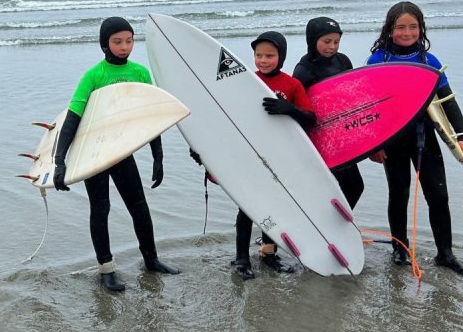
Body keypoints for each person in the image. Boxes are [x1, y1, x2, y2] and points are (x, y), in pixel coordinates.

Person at [52, 16, 179, 292]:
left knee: (139, 207)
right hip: (94, 154)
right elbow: (73, 118)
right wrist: (59, 160)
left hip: (121, 152)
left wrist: (158, 156)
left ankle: (151, 260)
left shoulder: (140, 73)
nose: (124, 47)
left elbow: (151, 118)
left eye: (129, 41)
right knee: (100, 209)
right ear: (104, 44)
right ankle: (106, 270)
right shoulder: (94, 76)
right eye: (117, 41)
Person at [193, 31, 315, 280]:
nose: (263, 60)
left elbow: (311, 120)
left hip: (280, 155)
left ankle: (268, 253)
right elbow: (221, 118)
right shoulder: (244, 81)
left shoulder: (292, 85)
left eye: (270, 55)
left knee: (275, 205)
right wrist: (202, 146)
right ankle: (241, 258)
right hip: (248, 155)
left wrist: (289, 109)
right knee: (247, 206)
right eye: (259, 55)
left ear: (281, 57)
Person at [366, 1, 463, 274]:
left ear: (421, 29)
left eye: (413, 27)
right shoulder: (378, 61)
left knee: (439, 195)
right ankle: (400, 249)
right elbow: (368, 106)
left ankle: (444, 253)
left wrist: (461, 134)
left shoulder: (428, 61)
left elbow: (448, 101)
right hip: (392, 141)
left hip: (425, 139)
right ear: (389, 29)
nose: (407, 32)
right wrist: (373, 144)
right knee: (399, 194)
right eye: (400, 27)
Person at [292, 16, 365, 209]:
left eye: (336, 42)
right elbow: (296, 108)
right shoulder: (303, 71)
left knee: (355, 186)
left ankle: (334, 227)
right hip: (318, 139)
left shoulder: (343, 61)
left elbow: (352, 96)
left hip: (341, 136)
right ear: (312, 40)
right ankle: (322, 228)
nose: (332, 47)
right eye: (326, 41)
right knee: (324, 188)